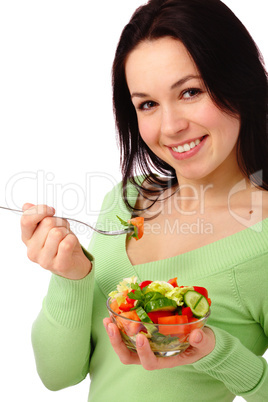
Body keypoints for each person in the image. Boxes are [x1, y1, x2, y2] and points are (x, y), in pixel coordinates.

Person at [21, 0, 268, 400]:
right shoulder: (124, 201)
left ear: (239, 82)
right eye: (147, 104)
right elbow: (58, 376)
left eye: (190, 91)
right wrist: (71, 277)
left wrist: (215, 353)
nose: (170, 127)